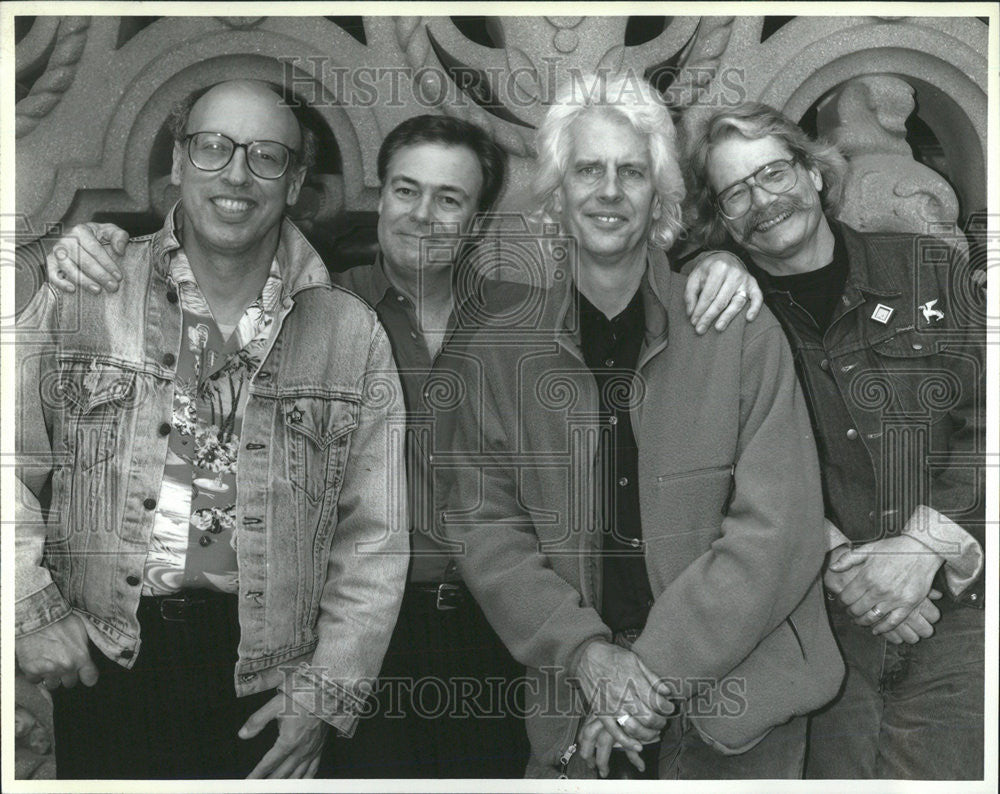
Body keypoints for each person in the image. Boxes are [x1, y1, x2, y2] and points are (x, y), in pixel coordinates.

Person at [41, 109, 762, 777]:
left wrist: (716, 261)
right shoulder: (319, 306)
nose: (424, 215)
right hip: (355, 632)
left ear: (478, 220)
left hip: (504, 633)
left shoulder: (536, 321)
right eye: (407, 191)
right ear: (379, 197)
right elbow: (193, 264)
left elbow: (635, 296)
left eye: (450, 199)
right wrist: (93, 237)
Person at [432, 72, 844, 780]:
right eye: (588, 170)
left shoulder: (732, 326)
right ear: (557, 191)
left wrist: (649, 675)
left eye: (632, 171)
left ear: (660, 193)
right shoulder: (500, 348)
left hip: (740, 710)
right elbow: (486, 527)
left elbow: (778, 527)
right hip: (576, 706)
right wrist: (587, 654)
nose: (610, 191)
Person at [15, 79, 408, 780]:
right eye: (212, 147)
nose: (235, 173)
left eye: (265, 156)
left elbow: (373, 536)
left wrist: (328, 689)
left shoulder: (351, 334)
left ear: (293, 184)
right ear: (176, 165)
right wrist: (29, 609)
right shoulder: (85, 295)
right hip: (112, 670)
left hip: (271, 679)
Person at [683, 101, 985, 779]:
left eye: (773, 174)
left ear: (814, 174)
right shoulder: (721, 316)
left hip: (959, 610)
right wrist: (849, 570)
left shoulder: (927, 269)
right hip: (817, 629)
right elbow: (713, 468)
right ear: (721, 217)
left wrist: (922, 546)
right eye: (736, 191)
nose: (763, 201)